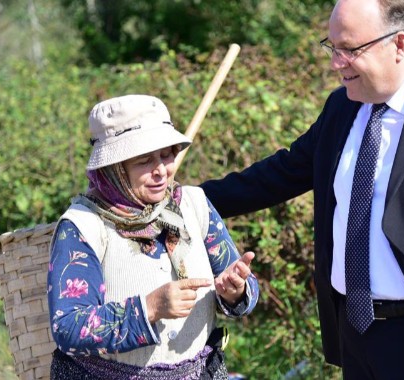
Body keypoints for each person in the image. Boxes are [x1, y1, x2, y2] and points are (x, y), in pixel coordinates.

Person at [200, 0, 404, 379]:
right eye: (332, 47)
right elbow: (280, 174)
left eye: (350, 50)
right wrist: (189, 199)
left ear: (399, 44)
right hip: (355, 334)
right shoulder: (344, 107)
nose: (336, 63)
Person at [47, 94, 259, 379]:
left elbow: (243, 285)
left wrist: (235, 291)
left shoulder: (194, 204)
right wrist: (149, 307)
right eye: (144, 160)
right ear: (114, 168)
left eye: (168, 154)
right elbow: (69, 326)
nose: (161, 170)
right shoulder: (82, 226)